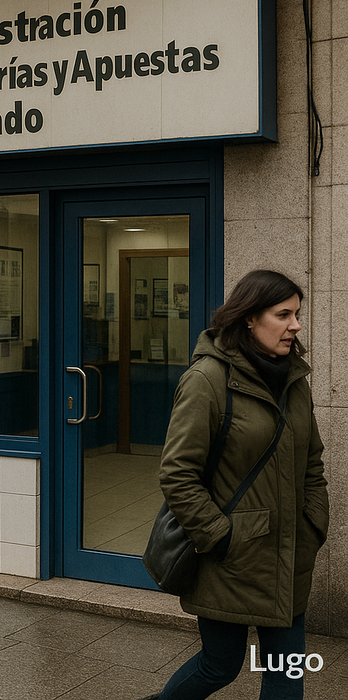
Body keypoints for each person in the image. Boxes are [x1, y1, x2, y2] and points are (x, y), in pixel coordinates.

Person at [138, 270, 329, 700]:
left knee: (286, 673)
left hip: (290, 556)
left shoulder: (294, 380)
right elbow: (177, 474)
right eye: (283, 314)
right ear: (248, 318)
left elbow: (311, 462)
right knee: (219, 665)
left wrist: (314, 522)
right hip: (232, 561)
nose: (296, 325)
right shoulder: (207, 380)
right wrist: (221, 538)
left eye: (297, 314)